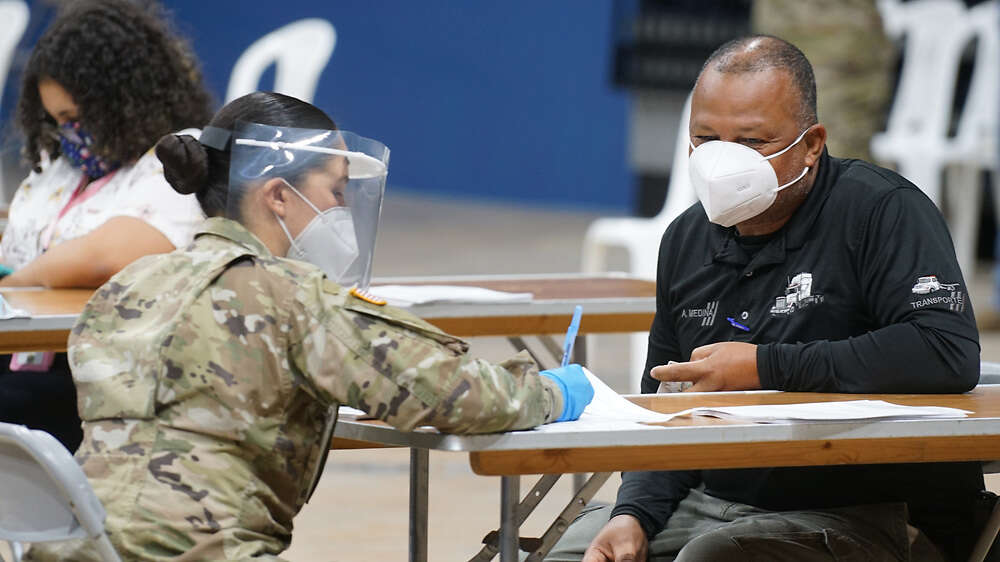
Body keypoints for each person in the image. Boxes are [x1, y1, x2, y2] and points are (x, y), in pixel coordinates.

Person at [25, 91, 595, 562]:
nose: (343, 211)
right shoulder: (292, 296)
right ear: (278, 195)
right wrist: (553, 391)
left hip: (73, 547)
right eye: (337, 192)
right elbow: (456, 395)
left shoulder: (126, 287)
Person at [548, 35, 984, 562]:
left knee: (715, 557)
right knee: (568, 553)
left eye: (751, 142)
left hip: (864, 510)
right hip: (710, 500)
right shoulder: (687, 239)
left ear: (811, 143)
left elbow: (944, 352)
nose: (723, 162)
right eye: (706, 139)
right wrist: (634, 515)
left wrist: (764, 367)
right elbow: (669, 417)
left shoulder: (881, 211)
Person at [0, 0, 212, 451]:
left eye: (75, 118)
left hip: (105, 376)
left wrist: (15, 285)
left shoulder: (181, 157)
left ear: (123, 98)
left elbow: (110, 252)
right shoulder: (59, 168)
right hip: (24, 359)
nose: (70, 135)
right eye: (58, 122)